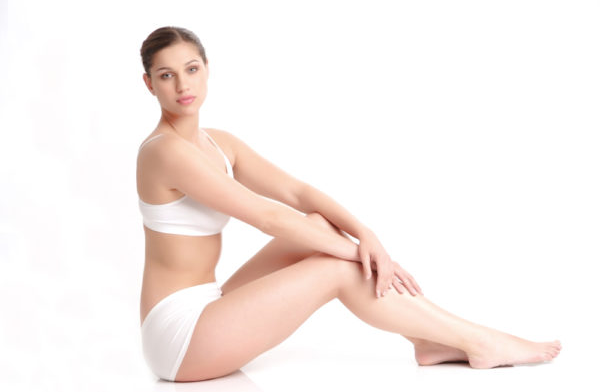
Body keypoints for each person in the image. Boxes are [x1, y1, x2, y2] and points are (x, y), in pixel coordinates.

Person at [136, 26, 561, 382]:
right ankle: (479, 341)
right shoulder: (164, 152)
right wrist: (359, 254)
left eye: (191, 69)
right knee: (337, 268)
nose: (183, 85)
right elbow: (268, 217)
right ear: (149, 84)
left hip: (211, 302)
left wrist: (366, 236)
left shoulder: (218, 143)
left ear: (207, 70)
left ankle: (427, 340)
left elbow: (297, 193)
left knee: (321, 225)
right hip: (179, 337)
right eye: (167, 75)